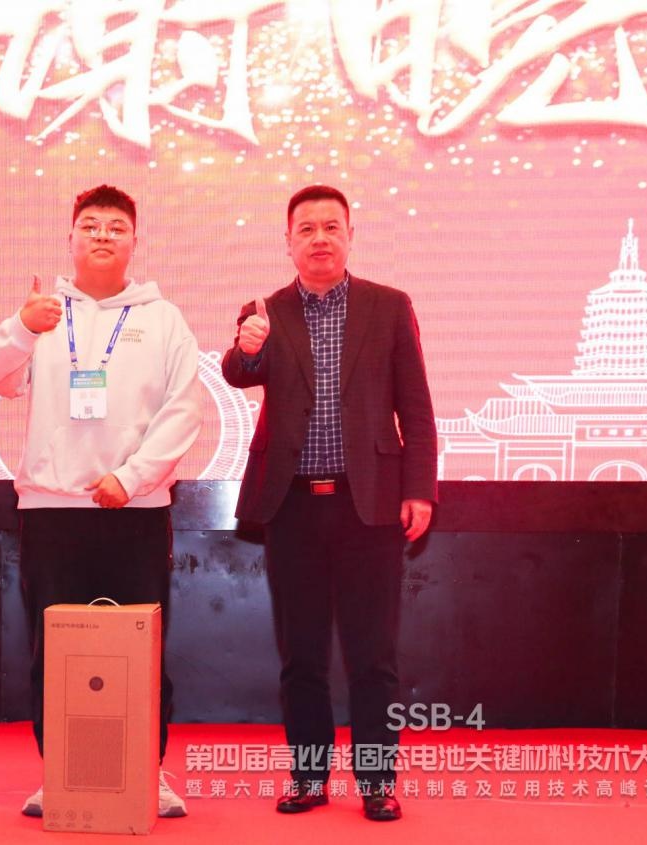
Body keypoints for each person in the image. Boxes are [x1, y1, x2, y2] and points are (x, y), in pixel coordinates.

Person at [0, 185, 204, 819]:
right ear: (70, 238)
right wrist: (23, 328)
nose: (103, 235)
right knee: (56, 651)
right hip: (51, 511)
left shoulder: (163, 318)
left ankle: (148, 771)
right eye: (91, 225)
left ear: (135, 241)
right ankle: (62, 771)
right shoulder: (43, 313)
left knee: (142, 649)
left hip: (136, 510)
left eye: (116, 227)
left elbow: (185, 410)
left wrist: (131, 478)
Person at [220, 185, 437, 822]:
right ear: (288, 241)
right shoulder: (265, 311)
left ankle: (376, 781)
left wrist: (419, 488)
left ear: (349, 236)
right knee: (302, 656)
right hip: (292, 505)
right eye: (306, 228)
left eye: (331, 227)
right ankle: (309, 777)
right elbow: (238, 373)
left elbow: (416, 408)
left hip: (368, 505)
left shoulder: (389, 306)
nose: (319, 238)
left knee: (374, 656)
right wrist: (247, 347)